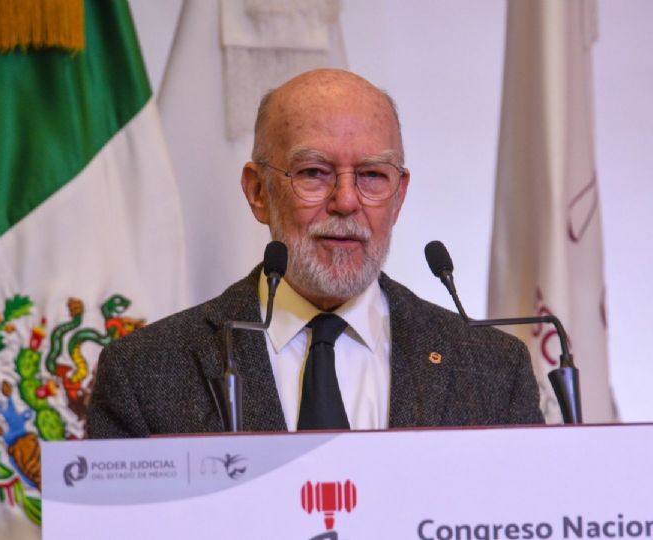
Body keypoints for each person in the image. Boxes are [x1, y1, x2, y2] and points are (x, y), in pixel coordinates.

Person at [86, 69, 542, 438]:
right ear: (258, 192)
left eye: (372, 176)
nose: (346, 201)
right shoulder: (145, 373)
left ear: (399, 196)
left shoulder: (492, 371)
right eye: (314, 172)